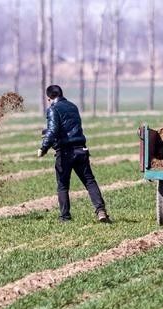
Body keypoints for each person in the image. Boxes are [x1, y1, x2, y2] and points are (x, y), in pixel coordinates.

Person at [38, 85, 110, 223]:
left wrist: (44, 147)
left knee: (63, 185)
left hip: (65, 152)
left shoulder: (53, 109)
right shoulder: (73, 106)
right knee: (89, 181)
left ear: (49, 98)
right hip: (81, 149)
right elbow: (68, 126)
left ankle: (65, 217)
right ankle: (101, 211)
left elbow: (53, 129)